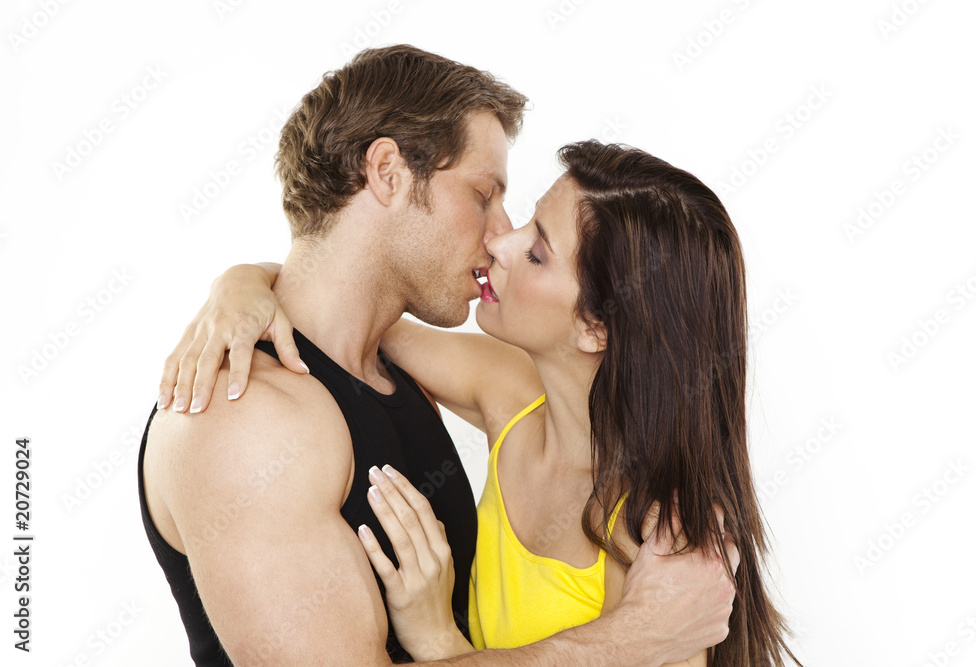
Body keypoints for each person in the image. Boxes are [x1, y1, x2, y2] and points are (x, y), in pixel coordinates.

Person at [140, 45, 738, 666]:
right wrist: (636, 638)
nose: (500, 235)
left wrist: (245, 281)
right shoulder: (247, 418)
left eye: (536, 248)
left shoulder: (391, 370)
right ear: (387, 172)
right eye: (483, 195)